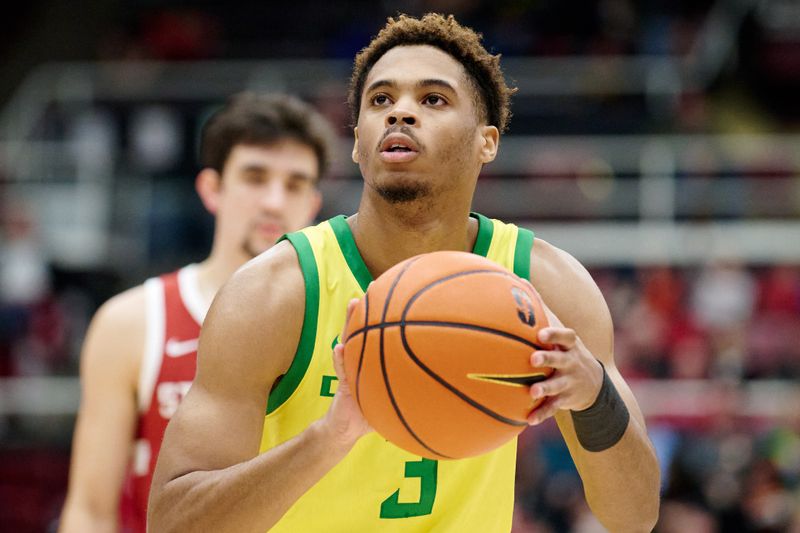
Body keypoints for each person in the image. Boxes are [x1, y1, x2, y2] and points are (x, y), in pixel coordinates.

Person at [149, 14, 660, 532]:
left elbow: (635, 517)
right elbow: (172, 524)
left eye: (433, 99)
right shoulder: (277, 292)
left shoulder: (544, 285)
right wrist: (329, 438)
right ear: (355, 142)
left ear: (488, 141)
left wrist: (594, 395)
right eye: (380, 100)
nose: (401, 114)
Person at [59, 92, 334, 533]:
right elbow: (90, 511)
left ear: (313, 204)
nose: (274, 202)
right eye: (255, 177)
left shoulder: (343, 320)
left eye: (295, 183)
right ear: (212, 189)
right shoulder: (133, 322)